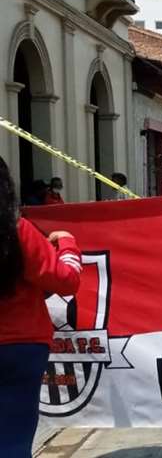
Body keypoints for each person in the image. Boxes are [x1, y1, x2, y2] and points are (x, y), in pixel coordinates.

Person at [0, 158, 81, 457]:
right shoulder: (17, 231)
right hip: (21, 347)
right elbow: (67, 280)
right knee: (13, 440)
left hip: (21, 348)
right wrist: (68, 244)